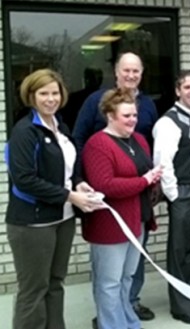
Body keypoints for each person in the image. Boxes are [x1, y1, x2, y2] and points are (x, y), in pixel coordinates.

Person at [5, 69, 101, 329]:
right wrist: (71, 195)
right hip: (33, 224)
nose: (50, 99)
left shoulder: (60, 126)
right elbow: (24, 179)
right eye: (43, 93)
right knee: (33, 290)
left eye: (55, 92)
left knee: (56, 283)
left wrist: (79, 182)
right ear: (31, 96)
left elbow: (66, 169)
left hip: (63, 218)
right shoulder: (24, 131)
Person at [73, 52, 158, 322]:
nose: (132, 119)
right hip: (110, 215)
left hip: (137, 213)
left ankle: (127, 318)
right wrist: (77, 181)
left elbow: (146, 162)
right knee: (110, 280)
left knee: (128, 276)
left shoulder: (141, 134)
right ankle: (110, 322)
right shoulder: (97, 132)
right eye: (126, 115)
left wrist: (153, 183)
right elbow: (104, 180)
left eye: (136, 71)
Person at [153, 71, 190, 325]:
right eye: (188, 87)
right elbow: (162, 162)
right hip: (184, 192)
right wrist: (174, 195)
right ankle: (181, 306)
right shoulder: (169, 121)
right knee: (180, 251)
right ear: (178, 90)